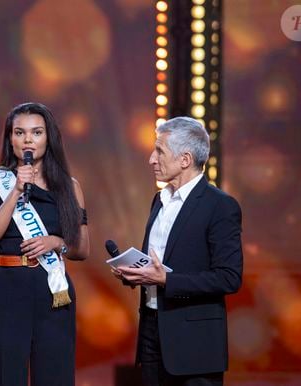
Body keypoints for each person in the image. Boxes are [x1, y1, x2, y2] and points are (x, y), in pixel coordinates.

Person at [112, 117, 243, 386]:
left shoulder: (220, 206)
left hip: (194, 343)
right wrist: (134, 273)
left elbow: (229, 277)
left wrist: (166, 281)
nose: (151, 159)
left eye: (159, 151)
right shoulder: (159, 201)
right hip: (150, 330)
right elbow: (159, 264)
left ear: (185, 159)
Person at [0, 102, 90, 386]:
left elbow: (82, 249)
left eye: (36, 132)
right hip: (8, 289)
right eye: (20, 132)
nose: (28, 139)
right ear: (10, 138)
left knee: (56, 376)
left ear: (48, 138)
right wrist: (15, 191)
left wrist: (56, 242)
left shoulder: (70, 186)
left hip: (54, 290)